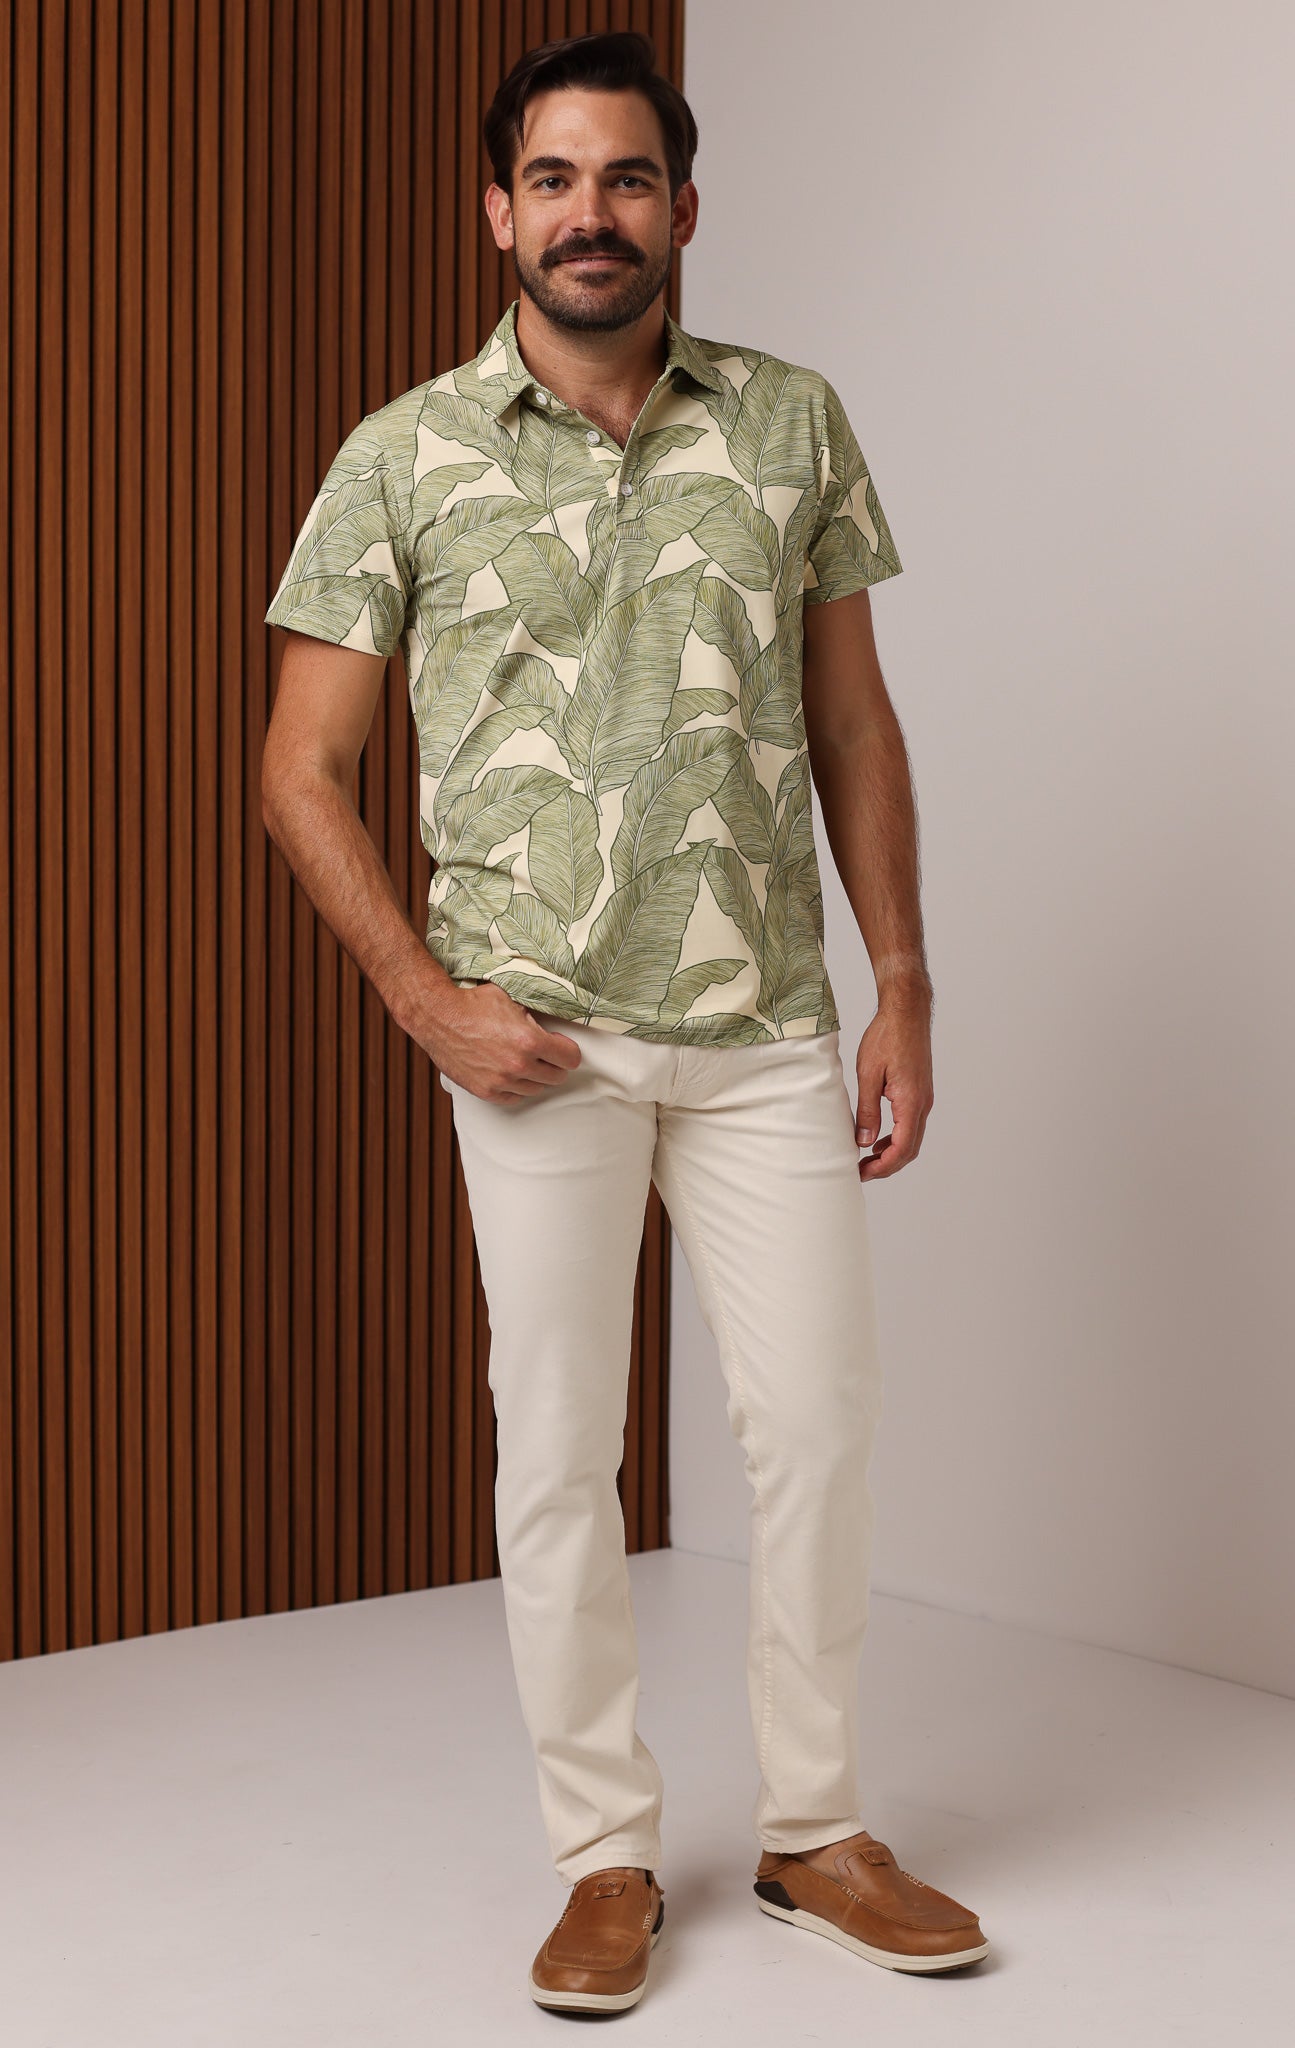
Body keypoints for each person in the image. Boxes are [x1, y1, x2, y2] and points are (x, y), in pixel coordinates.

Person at [262, 26, 988, 2015]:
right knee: (558, 1449)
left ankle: (815, 1829)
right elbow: (301, 769)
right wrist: (424, 999)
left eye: (629, 177)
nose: (593, 213)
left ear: (684, 205)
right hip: (535, 1042)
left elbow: (854, 722)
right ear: (497, 211)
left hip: (762, 1024)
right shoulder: (402, 454)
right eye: (555, 179)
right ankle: (602, 1852)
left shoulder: (793, 424)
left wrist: (904, 979)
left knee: (816, 1425)